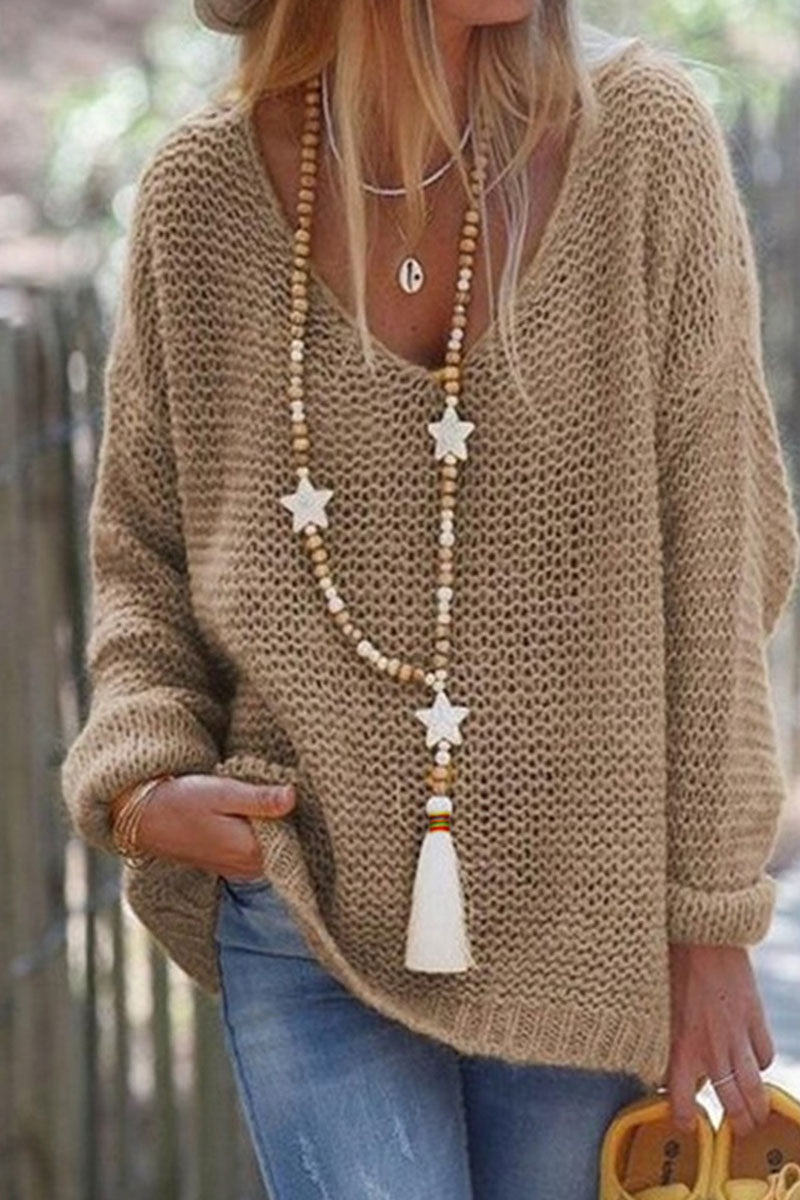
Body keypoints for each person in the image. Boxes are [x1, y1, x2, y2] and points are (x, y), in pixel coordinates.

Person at [59, 1, 800, 1197]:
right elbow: (143, 554)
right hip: (302, 904)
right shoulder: (201, 195)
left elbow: (718, 559)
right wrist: (143, 778)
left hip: (584, 913)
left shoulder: (642, 141)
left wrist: (708, 922)